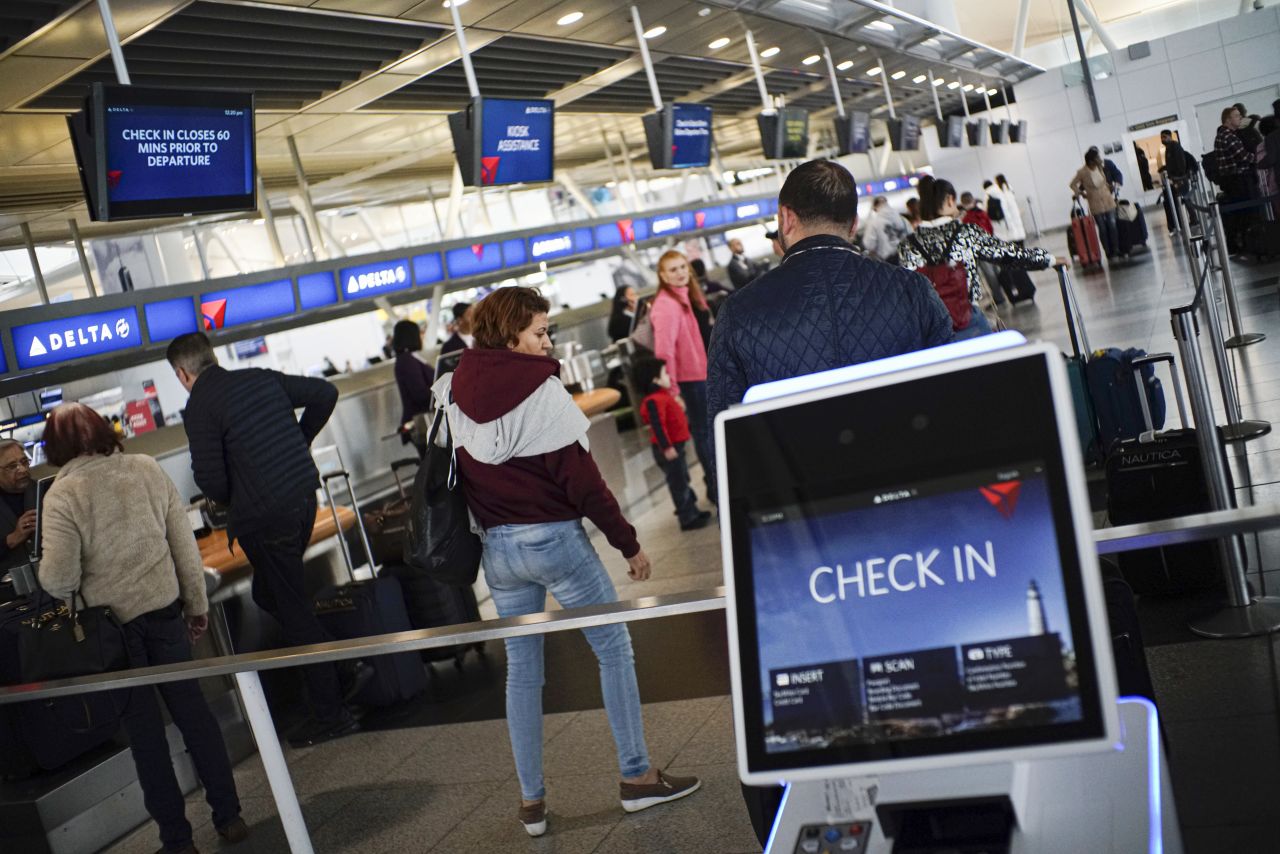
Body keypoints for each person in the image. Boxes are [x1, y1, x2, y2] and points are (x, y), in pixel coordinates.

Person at [431, 287, 699, 837]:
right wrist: (628, 542)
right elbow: (582, 482)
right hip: (553, 542)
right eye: (538, 332)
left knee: (523, 671)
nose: (547, 341)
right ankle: (636, 776)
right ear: (509, 335)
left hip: (498, 551)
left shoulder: (450, 387)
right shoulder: (542, 390)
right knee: (613, 647)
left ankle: (531, 803)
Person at [37, 403, 247, 854]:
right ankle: (229, 817)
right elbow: (183, 546)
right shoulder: (145, 468)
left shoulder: (62, 495)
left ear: (55, 447)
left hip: (114, 636)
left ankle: (177, 841)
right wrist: (195, 604)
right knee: (196, 717)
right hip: (166, 613)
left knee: (147, 740)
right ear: (102, 429)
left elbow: (59, 579)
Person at [166, 332, 364, 748]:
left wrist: (227, 491)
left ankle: (333, 713)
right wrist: (300, 440)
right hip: (301, 501)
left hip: (264, 518)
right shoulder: (259, 376)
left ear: (182, 374)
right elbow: (325, 392)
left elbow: (214, 482)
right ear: (212, 357)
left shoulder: (199, 406)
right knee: (271, 595)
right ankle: (341, 665)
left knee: (289, 607)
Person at [707, 160, 954, 447]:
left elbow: (724, 437)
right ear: (853, 224)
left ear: (786, 219)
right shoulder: (913, 289)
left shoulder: (737, 313)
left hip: (803, 486)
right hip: (911, 474)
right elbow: (953, 397)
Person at [901, 176, 1061, 339]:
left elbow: (908, 291)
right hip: (969, 323)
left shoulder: (908, 244)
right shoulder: (966, 233)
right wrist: (1049, 259)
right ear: (950, 200)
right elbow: (1009, 255)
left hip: (932, 331)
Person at [649, 250, 716, 504]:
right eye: (673, 270)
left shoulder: (685, 296)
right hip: (689, 380)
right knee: (704, 434)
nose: (679, 274)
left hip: (700, 373)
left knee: (706, 432)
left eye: (682, 268)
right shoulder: (665, 306)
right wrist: (673, 390)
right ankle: (715, 486)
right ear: (663, 276)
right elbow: (664, 351)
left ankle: (715, 484)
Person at [633, 356, 711, 532]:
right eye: (665, 374)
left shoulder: (662, 396)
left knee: (683, 478)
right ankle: (687, 517)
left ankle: (692, 510)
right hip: (669, 448)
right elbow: (658, 427)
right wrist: (667, 447)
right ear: (656, 380)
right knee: (678, 483)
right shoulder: (654, 401)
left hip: (676, 446)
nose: (669, 376)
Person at [391, 319, 435, 457]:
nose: (422, 336)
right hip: (420, 423)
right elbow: (420, 393)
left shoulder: (410, 358)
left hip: (424, 422)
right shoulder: (406, 361)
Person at [1070, 149, 1121, 259]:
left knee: (1112, 224)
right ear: (1091, 161)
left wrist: (1111, 186)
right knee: (1102, 228)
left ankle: (1116, 249)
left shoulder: (1100, 167)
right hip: (1095, 203)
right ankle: (1108, 251)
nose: (1100, 159)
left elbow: (1104, 182)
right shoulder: (1082, 172)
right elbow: (1073, 184)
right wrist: (1081, 193)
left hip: (1107, 200)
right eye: (1097, 158)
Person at [0, 440, 36, 574]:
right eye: (12, 466)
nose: (22, 469)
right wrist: (11, 540)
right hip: (9, 590)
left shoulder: (44, 491)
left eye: (24, 461)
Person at [861, 195, 911, 264]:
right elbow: (911, 234)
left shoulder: (874, 223)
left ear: (875, 207)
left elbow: (869, 245)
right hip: (907, 259)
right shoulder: (902, 218)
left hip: (888, 263)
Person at [988, 174, 1027, 244]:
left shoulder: (993, 191)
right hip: (1015, 220)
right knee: (1020, 241)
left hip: (1006, 223)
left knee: (1012, 243)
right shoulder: (1009, 188)